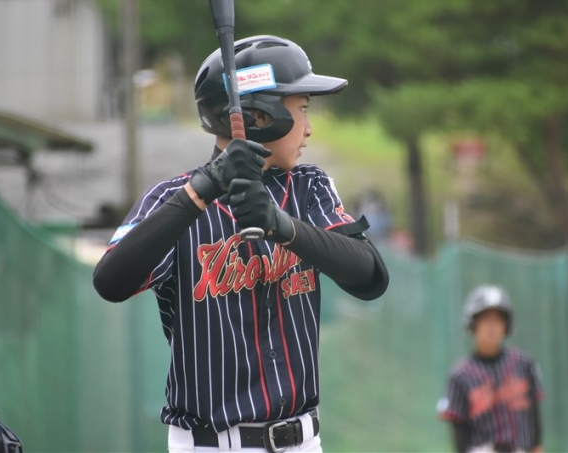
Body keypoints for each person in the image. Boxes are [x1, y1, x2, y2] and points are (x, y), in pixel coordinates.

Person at [92, 35, 389, 452]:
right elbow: (110, 281)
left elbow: (370, 275)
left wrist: (282, 227)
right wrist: (203, 189)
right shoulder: (172, 199)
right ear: (260, 116)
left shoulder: (309, 187)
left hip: (303, 441)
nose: (308, 128)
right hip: (212, 444)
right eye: (301, 109)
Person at [438, 285, 544, 453]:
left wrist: (537, 446)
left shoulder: (524, 364)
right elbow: (458, 427)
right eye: (485, 319)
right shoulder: (460, 375)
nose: (491, 327)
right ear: (472, 324)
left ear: (506, 325)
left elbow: (534, 411)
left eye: (498, 319)